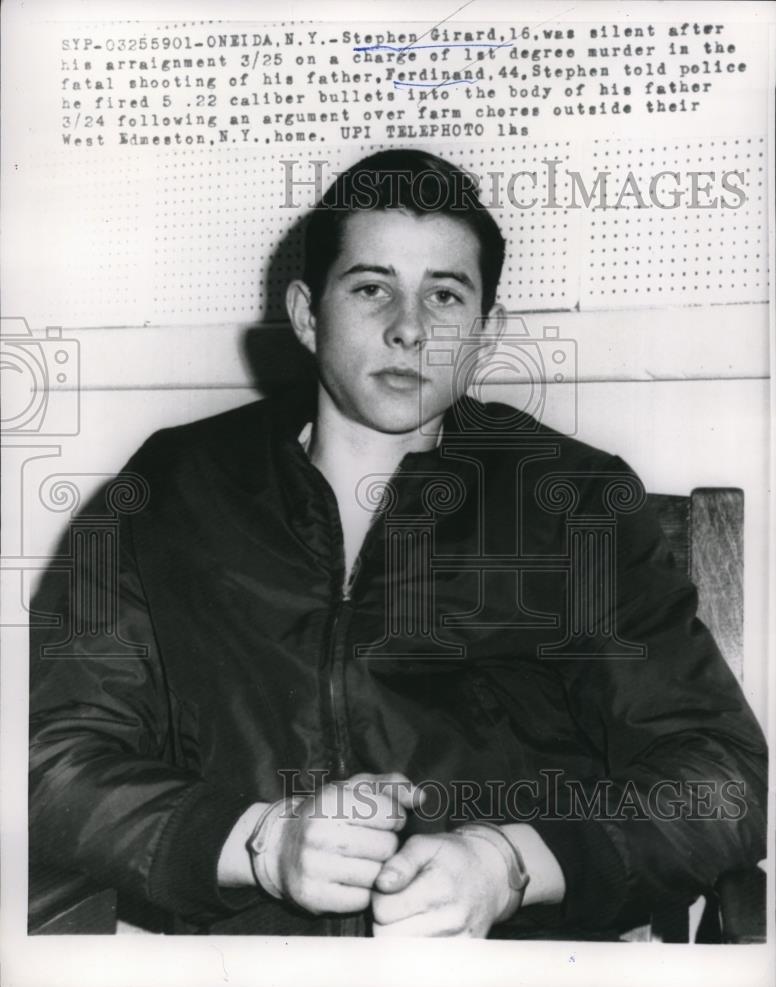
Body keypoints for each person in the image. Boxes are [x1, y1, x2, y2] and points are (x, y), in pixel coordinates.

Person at [29, 149, 767, 939]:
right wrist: (260, 841)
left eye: (445, 295)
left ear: (487, 329)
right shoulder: (171, 490)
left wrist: (513, 862)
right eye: (372, 287)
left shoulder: (574, 501)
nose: (410, 329)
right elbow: (52, 757)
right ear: (310, 313)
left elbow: (722, 777)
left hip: (502, 968)